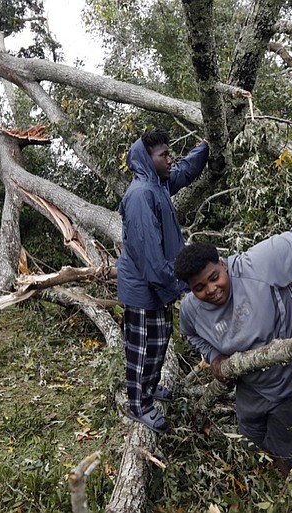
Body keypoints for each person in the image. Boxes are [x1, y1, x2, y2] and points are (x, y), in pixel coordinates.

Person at [173, 187, 292, 512]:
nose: (211, 290)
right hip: (257, 386)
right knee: (251, 431)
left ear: (223, 263)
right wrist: (215, 359)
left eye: (214, 277)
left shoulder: (260, 265)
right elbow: (194, 336)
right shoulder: (191, 310)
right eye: (199, 288)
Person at [117, 127, 210, 434]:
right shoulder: (141, 195)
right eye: (164, 155)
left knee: (159, 342)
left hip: (157, 286)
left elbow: (183, 172)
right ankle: (138, 404)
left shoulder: (157, 184)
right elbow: (149, 256)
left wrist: (206, 147)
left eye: (169, 153)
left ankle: (151, 387)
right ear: (147, 158)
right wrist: (176, 286)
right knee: (142, 348)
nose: (171, 159)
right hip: (144, 288)